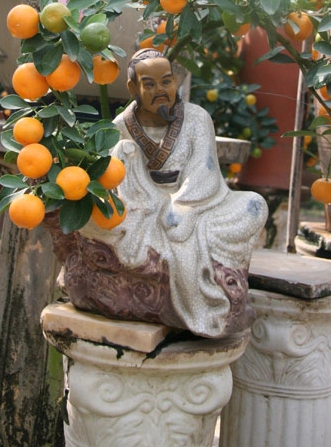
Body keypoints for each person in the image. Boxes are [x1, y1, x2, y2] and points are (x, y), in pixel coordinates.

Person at [78, 49, 268, 338]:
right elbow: (115, 182)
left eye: (166, 82)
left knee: (254, 205)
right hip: (142, 208)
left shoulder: (196, 119)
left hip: (196, 206)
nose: (160, 91)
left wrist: (183, 209)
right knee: (117, 166)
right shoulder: (120, 128)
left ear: (176, 82)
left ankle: (196, 272)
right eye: (149, 84)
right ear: (133, 88)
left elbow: (204, 173)